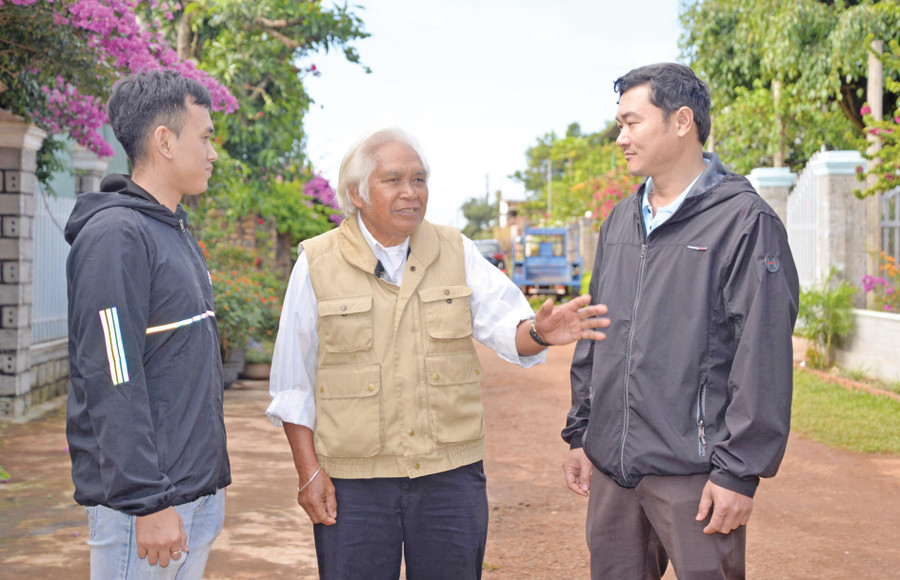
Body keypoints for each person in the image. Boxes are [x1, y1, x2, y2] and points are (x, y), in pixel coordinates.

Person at [267, 127, 610, 580]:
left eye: (420, 179)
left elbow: (509, 328)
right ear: (357, 193)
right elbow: (293, 385)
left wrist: (541, 333)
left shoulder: (455, 250)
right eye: (394, 180)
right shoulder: (317, 262)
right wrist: (310, 474)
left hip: (450, 476)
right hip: (355, 482)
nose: (411, 193)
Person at [561, 63, 800, 579]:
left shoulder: (744, 221)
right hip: (613, 470)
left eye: (631, 122)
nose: (620, 137)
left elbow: (763, 356)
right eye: (619, 125)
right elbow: (595, 334)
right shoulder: (620, 220)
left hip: (695, 477)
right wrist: (582, 433)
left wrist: (738, 475)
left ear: (681, 121)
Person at [65, 69, 231, 579]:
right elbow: (112, 374)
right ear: (164, 140)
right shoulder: (117, 237)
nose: (213, 152)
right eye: (204, 137)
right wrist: (146, 502)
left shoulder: (170, 229)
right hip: (147, 510)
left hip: (192, 494)